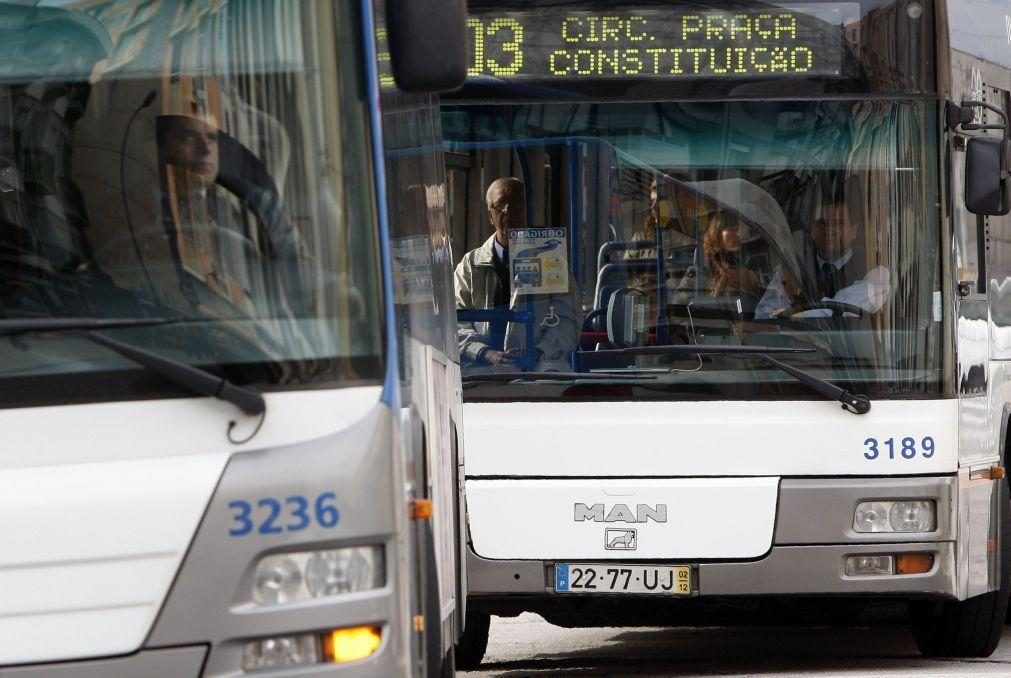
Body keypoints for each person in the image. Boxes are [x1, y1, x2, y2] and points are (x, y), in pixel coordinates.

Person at [454, 177, 580, 369]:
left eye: (516, 205)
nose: (508, 211)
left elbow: (568, 321)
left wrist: (539, 350)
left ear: (526, 212)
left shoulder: (550, 261)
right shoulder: (470, 265)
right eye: (500, 205)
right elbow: (456, 321)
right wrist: (483, 352)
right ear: (490, 216)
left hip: (537, 363)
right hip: (482, 364)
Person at [755, 196, 890, 319]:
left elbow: (847, 307)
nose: (829, 230)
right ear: (812, 230)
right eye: (821, 223)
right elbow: (764, 316)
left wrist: (797, 315)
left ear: (853, 230)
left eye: (838, 223)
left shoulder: (874, 269)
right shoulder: (792, 268)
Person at [673, 209, 763, 304]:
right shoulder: (702, 268)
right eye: (732, 229)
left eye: (738, 229)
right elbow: (679, 302)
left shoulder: (743, 261)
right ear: (717, 233)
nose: (738, 234)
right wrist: (714, 296)